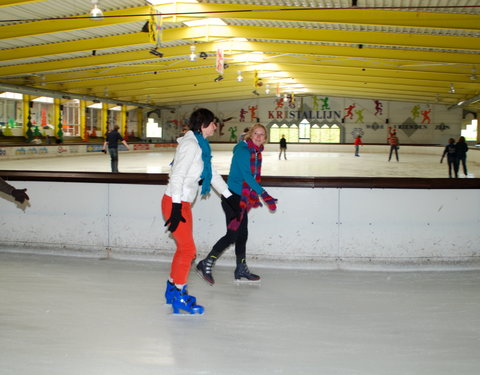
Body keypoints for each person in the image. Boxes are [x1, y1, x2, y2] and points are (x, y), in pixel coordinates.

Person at [162, 108, 236, 315]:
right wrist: (176, 207)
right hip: (175, 203)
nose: (215, 126)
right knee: (188, 251)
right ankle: (179, 295)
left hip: (183, 204)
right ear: (203, 124)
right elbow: (177, 176)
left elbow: (211, 175)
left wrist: (229, 197)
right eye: (213, 123)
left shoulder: (201, 146)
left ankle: (171, 289)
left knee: (184, 249)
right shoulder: (190, 145)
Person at [196, 123, 278, 285]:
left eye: (262, 134)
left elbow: (251, 178)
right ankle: (207, 261)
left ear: (265, 138)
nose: (259, 137)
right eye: (256, 133)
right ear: (250, 135)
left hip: (243, 198)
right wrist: (265, 196)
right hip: (232, 198)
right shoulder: (243, 151)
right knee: (233, 234)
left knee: (242, 234)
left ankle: (240, 268)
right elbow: (248, 177)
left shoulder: (256, 152)